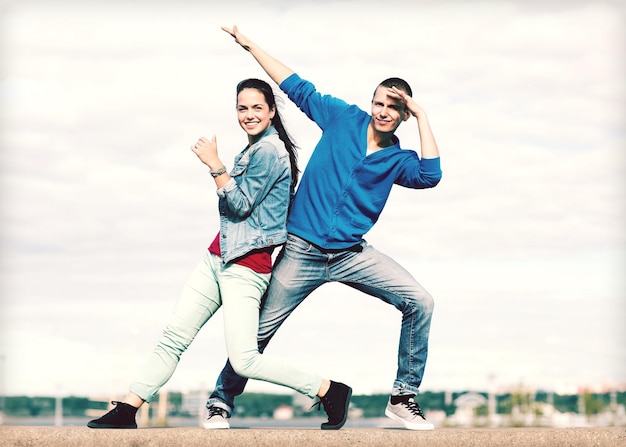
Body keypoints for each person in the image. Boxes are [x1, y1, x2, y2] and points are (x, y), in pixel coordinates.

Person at [203, 26, 443, 431]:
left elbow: (430, 174)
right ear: (371, 103)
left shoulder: (399, 159)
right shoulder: (343, 118)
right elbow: (296, 86)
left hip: (353, 255)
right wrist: (250, 46)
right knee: (258, 332)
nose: (383, 110)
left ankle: (404, 397)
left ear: (403, 114)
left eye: (394, 107)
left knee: (421, 301)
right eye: (379, 102)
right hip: (302, 250)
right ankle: (219, 401)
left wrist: (423, 115)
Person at [86, 78, 352, 431]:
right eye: (242, 108)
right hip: (217, 257)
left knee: (244, 361)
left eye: (257, 107)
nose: (249, 114)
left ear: (272, 111)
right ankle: (129, 408)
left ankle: (327, 390)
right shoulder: (254, 149)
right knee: (174, 338)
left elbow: (240, 206)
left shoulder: (270, 151)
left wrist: (215, 165)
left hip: (246, 267)